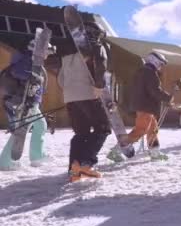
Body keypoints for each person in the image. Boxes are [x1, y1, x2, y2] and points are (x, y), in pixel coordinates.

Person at [58, 21, 120, 182]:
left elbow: (61, 79)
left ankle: (75, 168)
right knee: (103, 128)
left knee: (81, 133)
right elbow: (101, 64)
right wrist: (99, 86)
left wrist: (71, 92)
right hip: (90, 93)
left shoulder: (65, 52)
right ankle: (86, 164)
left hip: (70, 97)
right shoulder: (95, 46)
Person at [0, 39, 54, 169]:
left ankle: (36, 156)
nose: (48, 54)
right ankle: (5, 162)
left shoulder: (32, 61)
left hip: (28, 101)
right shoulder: (28, 59)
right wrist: (35, 77)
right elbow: (19, 73)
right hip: (23, 101)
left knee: (39, 126)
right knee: (21, 130)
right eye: (47, 51)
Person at [125, 52, 173, 160]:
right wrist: (167, 97)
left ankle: (155, 153)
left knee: (153, 129)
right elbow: (154, 91)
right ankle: (119, 150)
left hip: (145, 106)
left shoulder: (142, 72)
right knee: (141, 129)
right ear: (154, 61)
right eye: (160, 64)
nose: (161, 67)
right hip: (145, 106)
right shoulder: (149, 73)